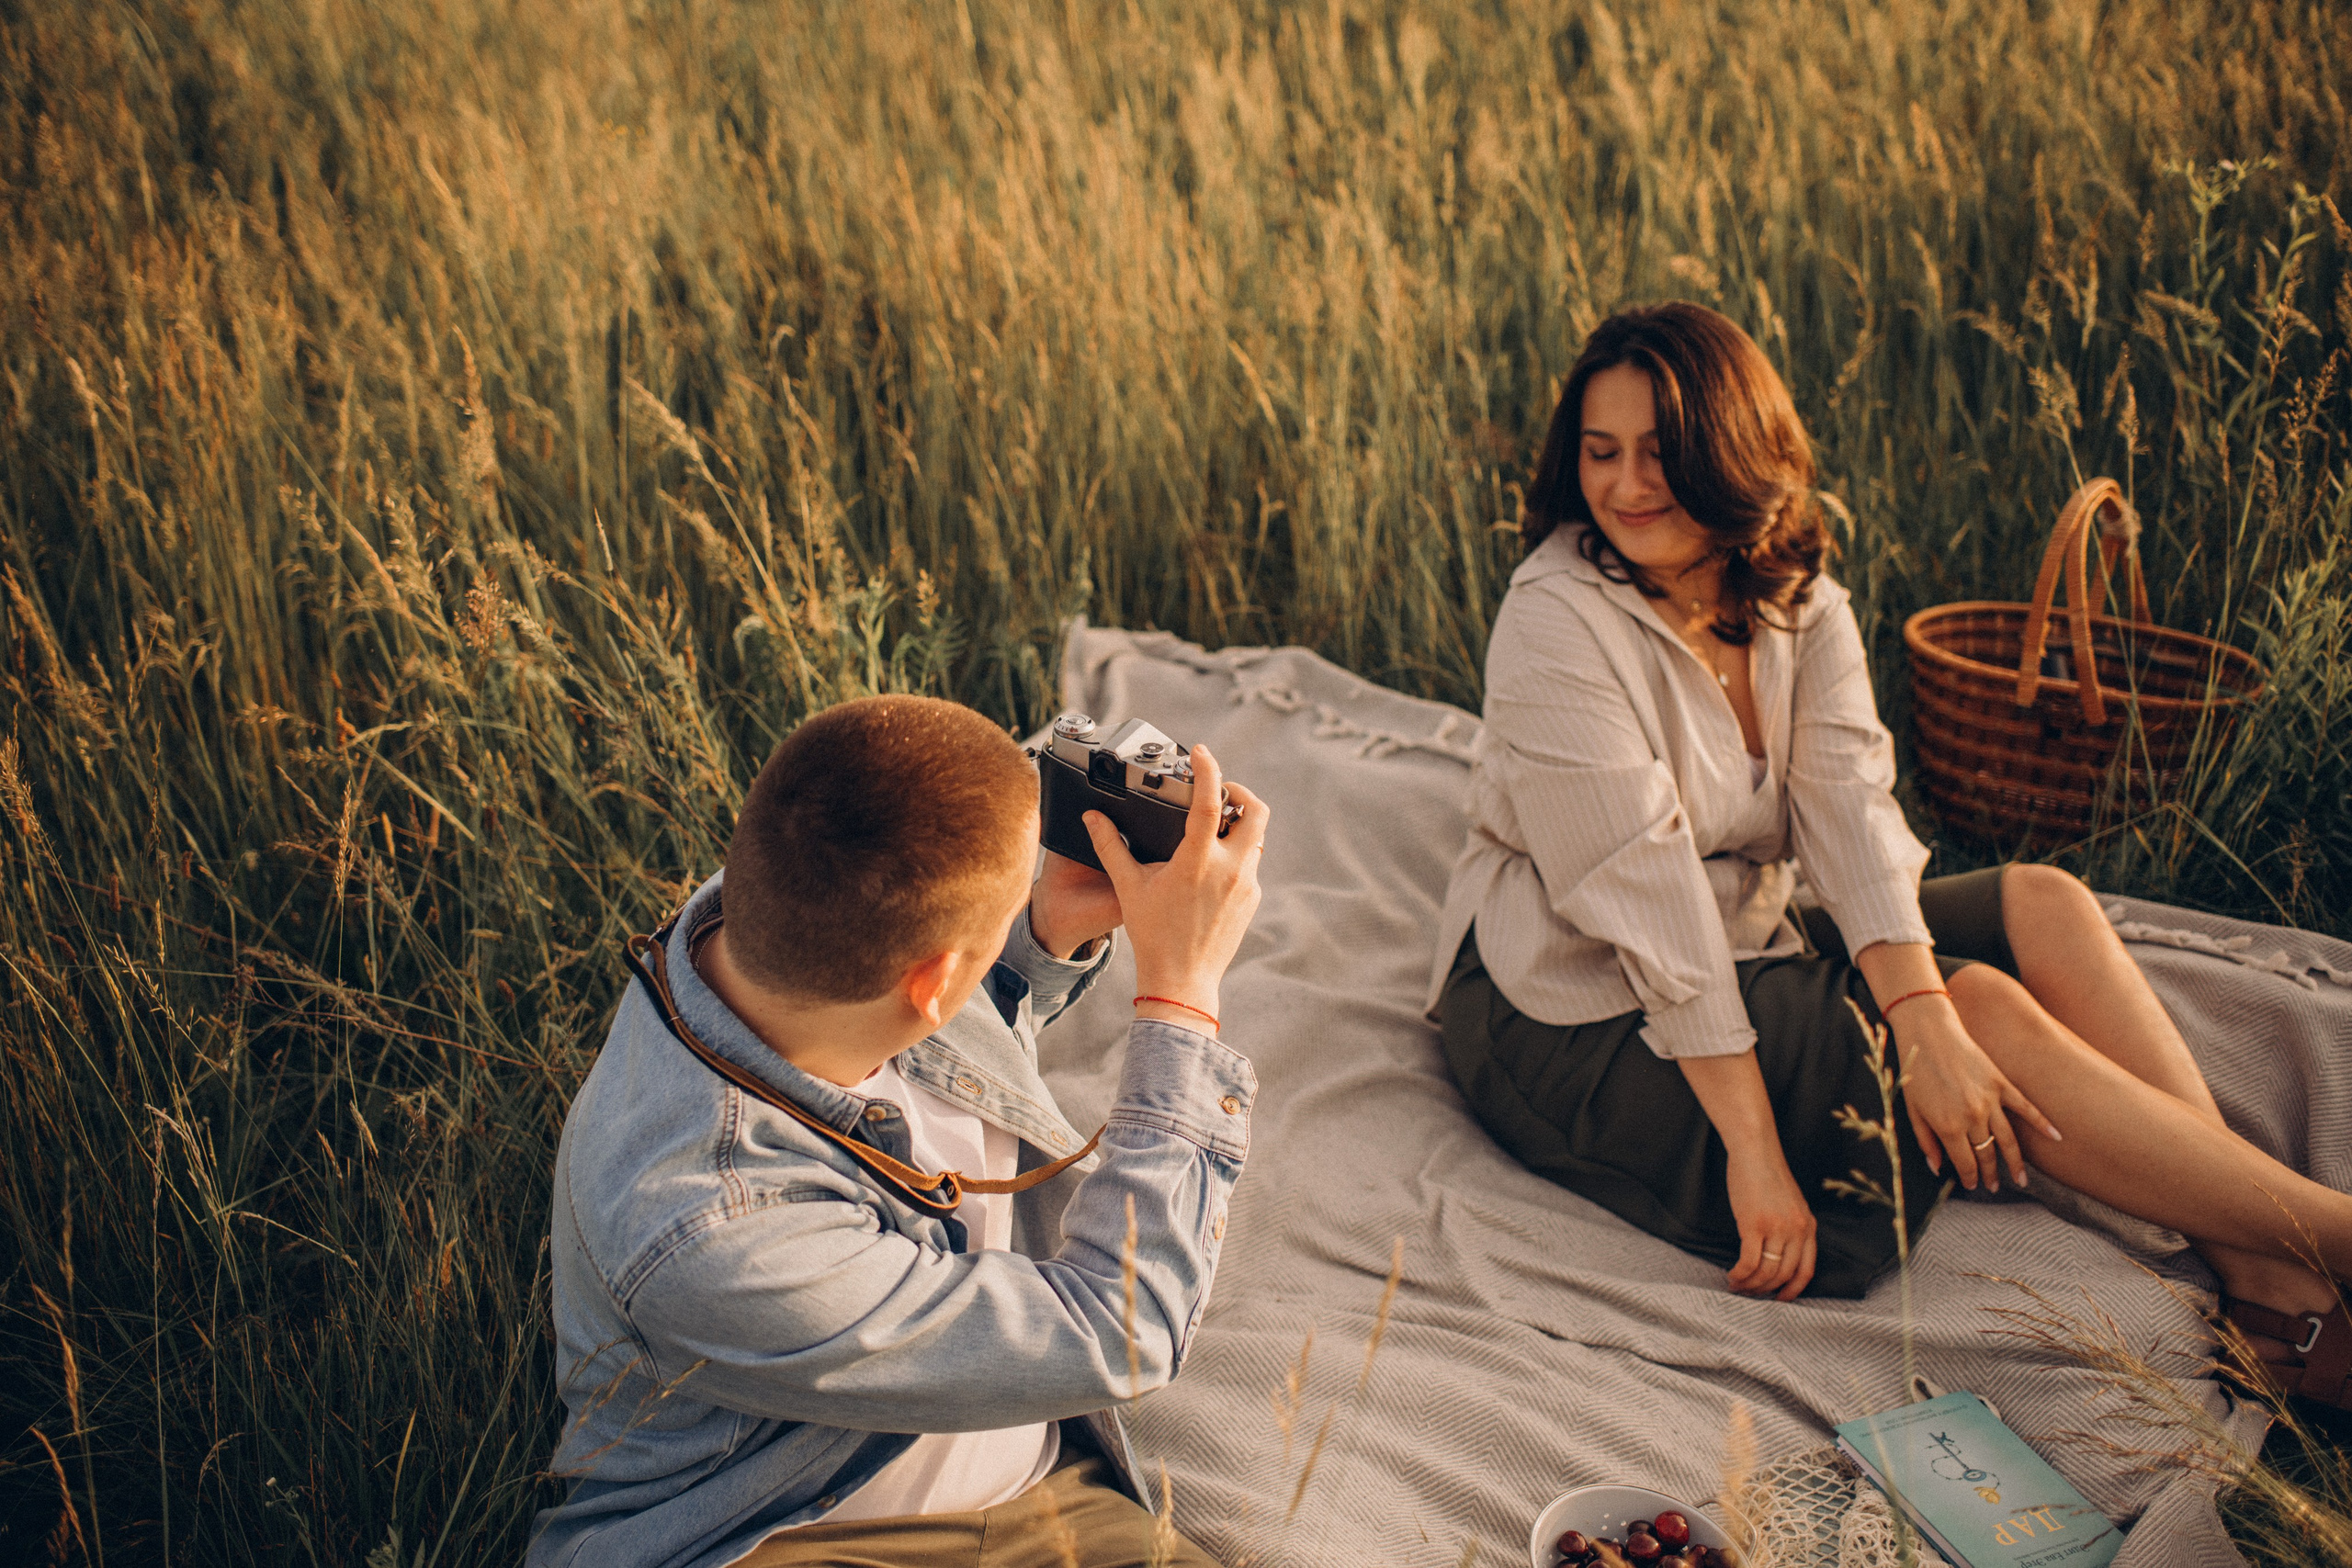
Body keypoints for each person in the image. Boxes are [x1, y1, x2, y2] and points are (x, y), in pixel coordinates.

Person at [1429, 300, 2352, 1404]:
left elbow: (1852, 818)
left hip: (1739, 931)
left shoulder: (1795, 601)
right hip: (1568, 1001)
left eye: (1661, 453)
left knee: (2043, 904)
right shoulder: (1552, 619)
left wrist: (1914, 1016)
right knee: (1984, 1018)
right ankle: (2330, 1243)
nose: (1625, 487)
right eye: (1600, 452)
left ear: (1731, 453)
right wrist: (1756, 1153)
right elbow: (1650, 902)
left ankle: (2260, 1265)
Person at [531, 694, 1269, 1568]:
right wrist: (1181, 998)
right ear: (931, 983)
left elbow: (939, 1005)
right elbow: (1125, 1326)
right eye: (996, 925)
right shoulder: (713, 1229)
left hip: (1032, 1486)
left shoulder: (781, 934)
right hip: (791, 1532)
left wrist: (1039, 932)